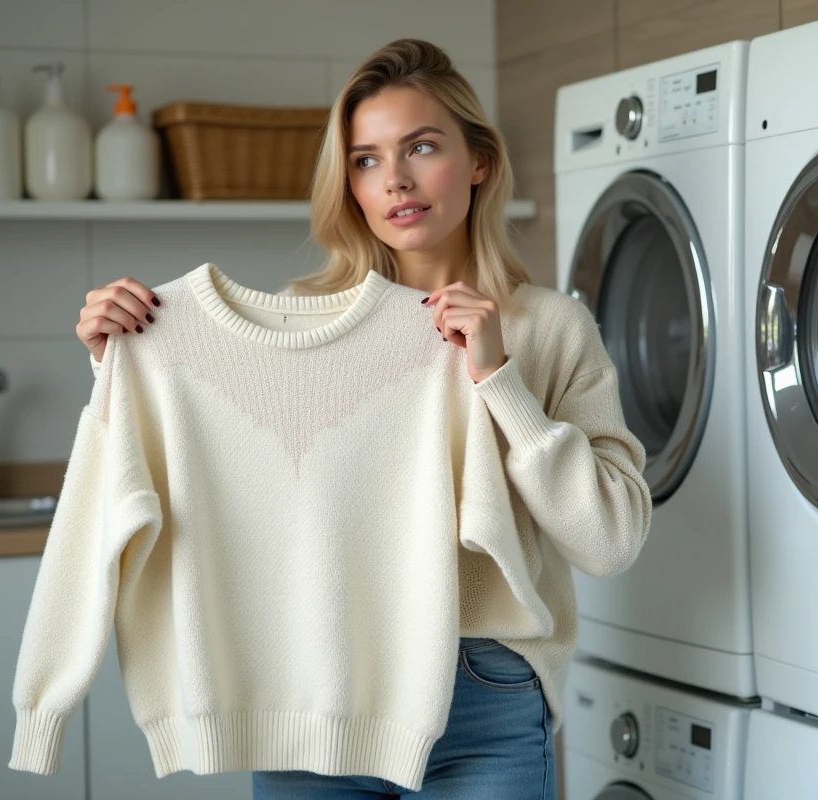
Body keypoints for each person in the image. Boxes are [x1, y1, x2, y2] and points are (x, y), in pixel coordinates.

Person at [73, 38, 651, 800]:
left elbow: (611, 540)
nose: (397, 180)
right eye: (367, 159)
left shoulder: (549, 328)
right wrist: (122, 366)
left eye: (421, 147)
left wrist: (500, 381)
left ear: (478, 160)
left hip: (483, 697)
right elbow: (228, 484)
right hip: (317, 686)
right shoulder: (299, 326)